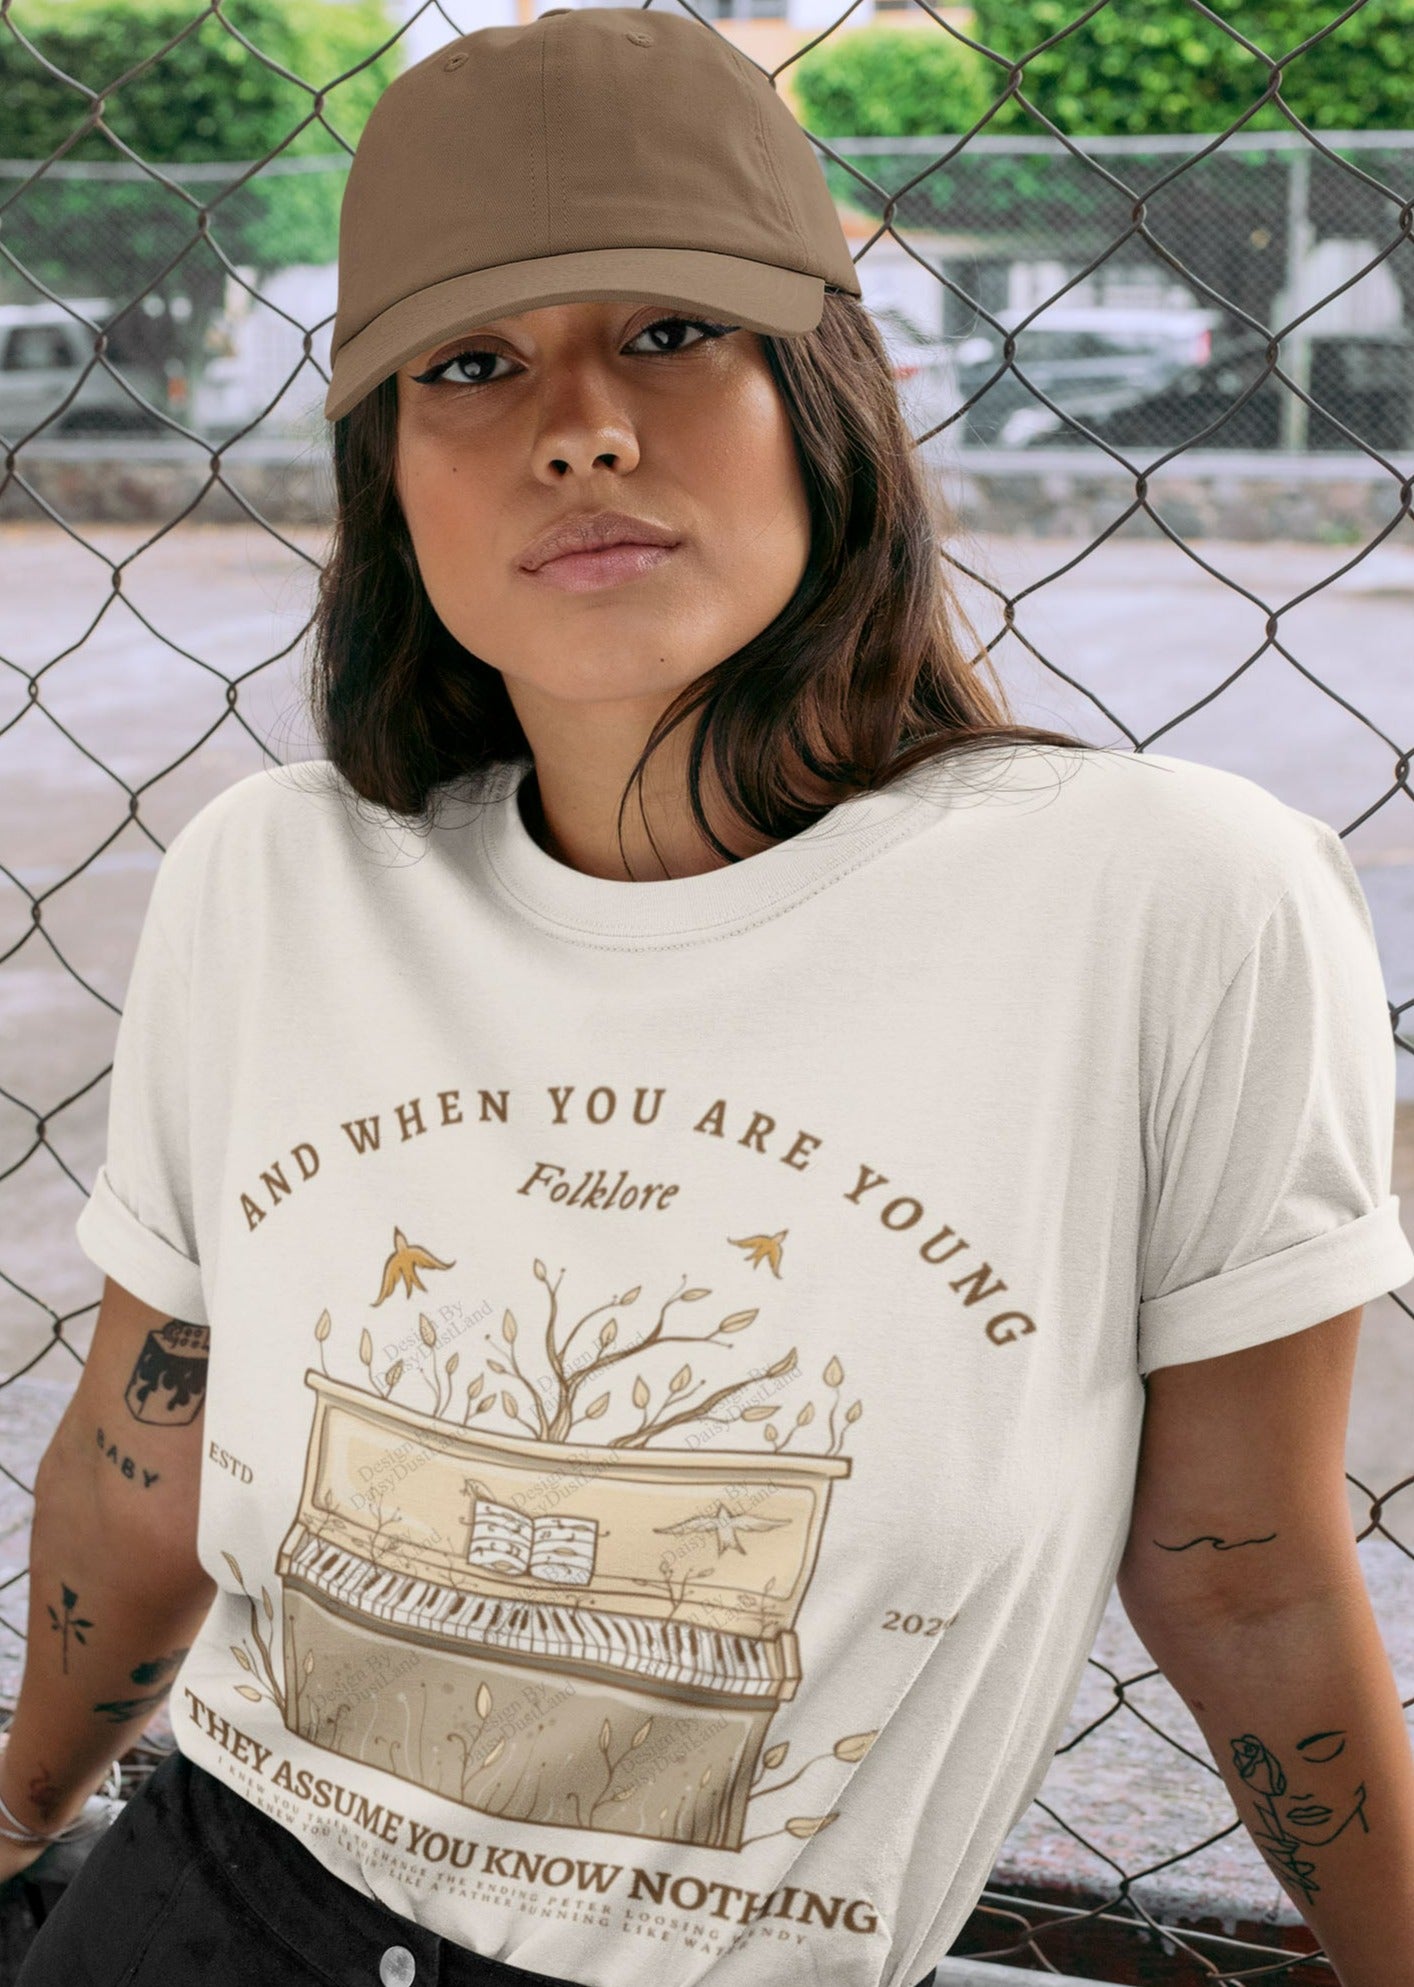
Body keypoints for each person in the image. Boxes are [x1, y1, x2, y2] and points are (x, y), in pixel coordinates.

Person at [7, 9, 1414, 1985]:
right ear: (390, 475)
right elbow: (140, 1463)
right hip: (201, 1916)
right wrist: (11, 1823)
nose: (577, 423)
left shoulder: (1167, 900)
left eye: (668, 331)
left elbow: (1245, 1576)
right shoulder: (278, 875)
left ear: (825, 396)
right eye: (470, 366)